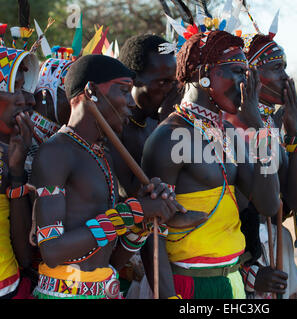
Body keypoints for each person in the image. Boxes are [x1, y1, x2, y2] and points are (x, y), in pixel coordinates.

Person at [141, 15, 282, 298]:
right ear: (203, 74)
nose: (246, 85)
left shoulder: (228, 133)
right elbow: (151, 231)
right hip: (188, 284)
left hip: (233, 281)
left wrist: (261, 130)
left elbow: (269, 205)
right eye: (237, 72)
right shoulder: (169, 137)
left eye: (247, 73)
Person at [30, 54, 185, 299]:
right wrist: (134, 211)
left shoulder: (102, 154)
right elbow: (52, 250)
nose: (131, 102)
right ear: (91, 91)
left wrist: (142, 223)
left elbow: (111, 258)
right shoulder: (56, 152)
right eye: (124, 91)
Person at [225, 11, 297, 298]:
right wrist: (250, 274)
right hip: (241, 261)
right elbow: (263, 206)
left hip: (273, 256)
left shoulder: (271, 123)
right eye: (277, 68)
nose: (286, 77)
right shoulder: (228, 126)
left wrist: (293, 131)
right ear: (251, 75)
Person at [116, 33, 179, 298]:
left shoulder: (160, 123)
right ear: (133, 80)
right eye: (162, 82)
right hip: (122, 257)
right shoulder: (115, 130)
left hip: (163, 253)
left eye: (174, 82)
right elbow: (134, 196)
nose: (170, 91)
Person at [0, 45, 39, 299]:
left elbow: (26, 255)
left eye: (26, 87)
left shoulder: (24, 152)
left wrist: (16, 170)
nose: (29, 99)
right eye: (15, 88)